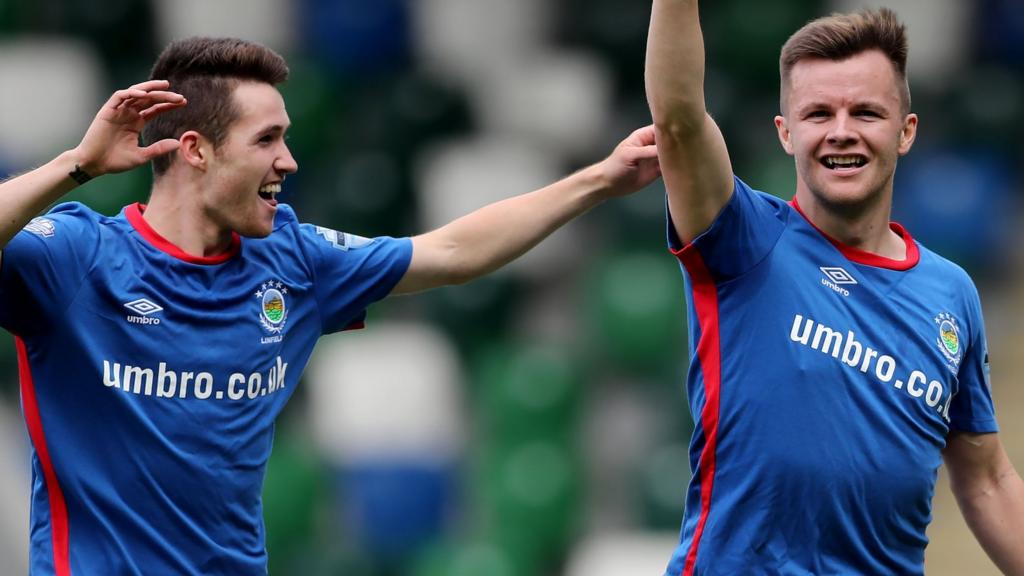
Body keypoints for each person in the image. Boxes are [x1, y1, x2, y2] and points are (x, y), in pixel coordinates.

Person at [0, 37, 660, 575]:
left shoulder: (295, 259)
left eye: (285, 137)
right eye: (265, 140)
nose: (288, 160)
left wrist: (600, 179)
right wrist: (77, 166)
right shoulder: (78, 257)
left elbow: (455, 251)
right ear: (196, 151)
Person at [646, 3, 1024, 575]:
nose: (841, 131)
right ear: (786, 132)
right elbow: (678, 119)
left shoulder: (951, 292)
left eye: (866, 112)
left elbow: (988, 478)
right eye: (818, 113)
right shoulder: (744, 239)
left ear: (906, 131)